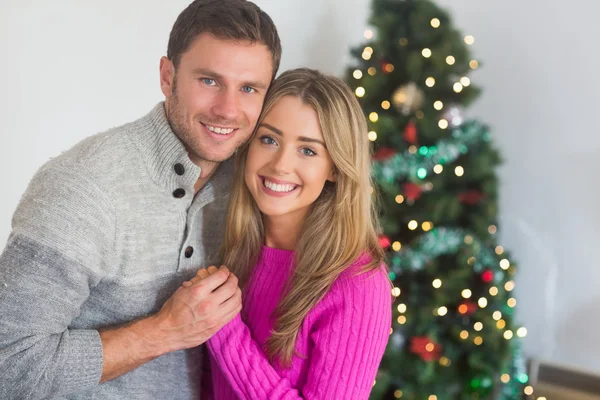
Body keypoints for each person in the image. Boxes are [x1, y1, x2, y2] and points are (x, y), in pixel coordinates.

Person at [0, 1, 281, 399]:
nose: (228, 109)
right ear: (168, 77)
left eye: (249, 88)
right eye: (209, 81)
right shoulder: (82, 186)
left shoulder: (255, 184)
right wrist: (163, 332)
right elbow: (8, 364)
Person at [185, 68, 393, 399]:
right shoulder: (231, 246)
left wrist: (225, 330)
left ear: (336, 169)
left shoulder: (358, 283)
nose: (281, 164)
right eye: (269, 139)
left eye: (308, 150)